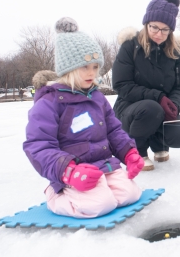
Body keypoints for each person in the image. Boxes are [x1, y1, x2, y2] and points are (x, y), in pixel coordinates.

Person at [23, 17, 144, 218]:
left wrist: (129, 153)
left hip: (103, 166)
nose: (92, 73)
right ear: (68, 68)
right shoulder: (50, 102)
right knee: (99, 205)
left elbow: (113, 130)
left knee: (130, 194)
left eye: (95, 67)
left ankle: (100, 189)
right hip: (73, 173)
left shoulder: (96, 97)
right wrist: (68, 172)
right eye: (85, 67)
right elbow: (38, 145)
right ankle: (55, 196)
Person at [112, 0, 180, 171]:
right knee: (152, 108)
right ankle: (137, 149)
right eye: (154, 27)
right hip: (130, 109)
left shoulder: (176, 52)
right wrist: (158, 97)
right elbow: (121, 84)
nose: (159, 33)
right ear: (146, 24)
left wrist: (174, 105)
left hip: (159, 108)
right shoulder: (130, 46)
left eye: (165, 30)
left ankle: (159, 144)